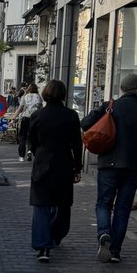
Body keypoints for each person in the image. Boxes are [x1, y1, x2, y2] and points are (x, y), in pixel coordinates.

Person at [81, 72, 137, 264]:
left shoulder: (110, 107)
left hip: (109, 163)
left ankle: (104, 233)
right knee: (123, 208)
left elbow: (85, 124)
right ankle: (115, 251)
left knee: (103, 203)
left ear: (123, 89)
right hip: (133, 165)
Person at [27, 80, 83, 262]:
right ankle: (56, 235)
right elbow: (77, 143)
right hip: (64, 164)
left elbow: (32, 141)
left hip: (43, 164)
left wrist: (38, 154)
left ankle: (43, 246)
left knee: (41, 205)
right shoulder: (71, 116)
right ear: (64, 94)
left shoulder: (38, 115)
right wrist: (77, 167)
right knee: (62, 204)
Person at [10, 82, 42, 161]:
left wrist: (13, 118)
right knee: (32, 136)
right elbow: (41, 109)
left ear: (28, 89)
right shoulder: (39, 97)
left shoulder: (25, 97)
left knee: (22, 137)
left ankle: (21, 156)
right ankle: (30, 151)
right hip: (35, 119)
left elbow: (20, 109)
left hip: (25, 118)